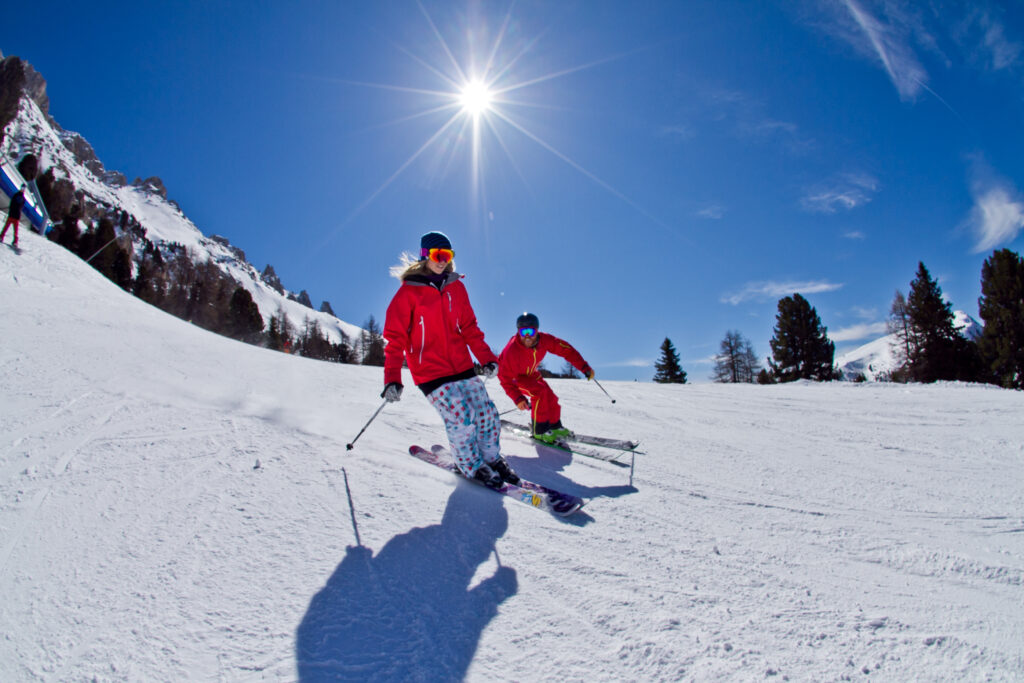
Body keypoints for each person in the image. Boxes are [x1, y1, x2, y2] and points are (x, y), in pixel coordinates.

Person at [382, 230, 519, 488]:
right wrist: (392, 379)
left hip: (462, 366)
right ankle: (470, 466)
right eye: (437, 255)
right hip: (431, 372)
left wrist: (487, 359)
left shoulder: (457, 287)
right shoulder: (408, 293)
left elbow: (469, 328)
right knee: (461, 416)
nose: (443, 260)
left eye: (448, 255)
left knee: (487, 414)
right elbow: (395, 339)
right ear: (425, 256)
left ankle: (491, 459)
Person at [498, 312, 594, 443]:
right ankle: (540, 431)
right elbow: (504, 377)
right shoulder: (512, 350)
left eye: (530, 332)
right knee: (540, 393)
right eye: (523, 332)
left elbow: (566, 350)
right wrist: (518, 398)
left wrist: (584, 367)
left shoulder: (545, 340)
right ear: (518, 332)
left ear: (537, 331)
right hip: (516, 378)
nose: (527, 336)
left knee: (550, 396)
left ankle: (555, 427)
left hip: (532, 375)